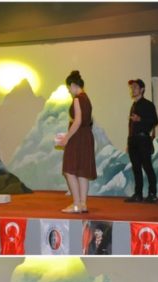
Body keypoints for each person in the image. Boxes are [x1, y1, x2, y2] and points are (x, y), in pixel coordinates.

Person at [57, 71, 97, 214]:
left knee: (69, 170)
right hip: (86, 136)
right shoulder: (86, 98)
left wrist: (66, 138)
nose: (69, 90)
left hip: (78, 137)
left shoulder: (77, 99)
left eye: (69, 87)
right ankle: (82, 204)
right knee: (82, 172)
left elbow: (78, 121)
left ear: (74, 85)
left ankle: (76, 204)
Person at [125, 79, 158, 204]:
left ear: (142, 89)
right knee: (136, 168)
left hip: (143, 140)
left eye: (135, 87)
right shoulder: (133, 105)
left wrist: (140, 119)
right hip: (133, 140)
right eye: (131, 87)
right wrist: (129, 141)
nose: (132, 89)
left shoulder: (148, 105)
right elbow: (131, 126)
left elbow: (155, 121)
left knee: (147, 167)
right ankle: (138, 194)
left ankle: (152, 194)